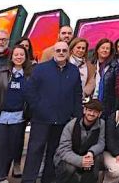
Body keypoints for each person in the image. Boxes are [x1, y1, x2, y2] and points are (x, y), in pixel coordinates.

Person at [25, 40, 86, 183]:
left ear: (68, 53)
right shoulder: (41, 69)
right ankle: (28, 180)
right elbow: (30, 91)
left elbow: (77, 94)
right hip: (41, 119)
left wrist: (77, 116)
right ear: (53, 52)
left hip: (62, 119)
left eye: (64, 51)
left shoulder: (73, 70)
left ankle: (48, 180)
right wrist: (38, 108)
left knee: (54, 152)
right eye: (58, 50)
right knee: (35, 151)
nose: (61, 53)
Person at [0, 44, 30, 183]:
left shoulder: (29, 76)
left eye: (21, 54)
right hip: (0, 118)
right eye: (16, 54)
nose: (19, 57)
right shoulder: (1, 73)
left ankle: (2, 177)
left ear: (25, 57)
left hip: (18, 119)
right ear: (11, 57)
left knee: (11, 150)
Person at [55, 97, 107, 183]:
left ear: (99, 114)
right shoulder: (72, 124)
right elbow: (63, 150)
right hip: (69, 157)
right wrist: (80, 161)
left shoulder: (102, 124)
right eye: (89, 110)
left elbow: (101, 143)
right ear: (84, 110)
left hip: (87, 155)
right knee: (69, 168)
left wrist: (91, 152)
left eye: (95, 112)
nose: (92, 114)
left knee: (97, 158)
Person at [94, 39, 119, 114]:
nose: (105, 50)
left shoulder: (115, 66)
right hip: (91, 102)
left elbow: (118, 88)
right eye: (103, 48)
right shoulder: (91, 64)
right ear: (98, 50)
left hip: (108, 105)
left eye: (107, 48)